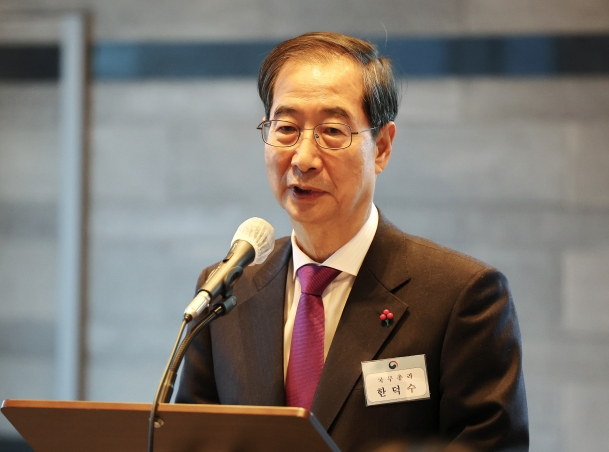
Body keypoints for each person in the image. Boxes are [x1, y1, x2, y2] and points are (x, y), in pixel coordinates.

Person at [176, 32, 529, 452]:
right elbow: (189, 441)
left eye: (331, 130)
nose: (303, 158)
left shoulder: (462, 296)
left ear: (381, 147)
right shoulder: (224, 293)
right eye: (286, 128)